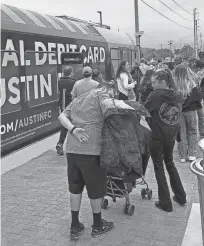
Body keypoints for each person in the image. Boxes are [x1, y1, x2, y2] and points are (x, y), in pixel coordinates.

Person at [58, 82, 115, 240]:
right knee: (95, 190)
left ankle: (75, 225)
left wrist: (73, 129)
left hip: (72, 150)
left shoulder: (78, 99)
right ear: (105, 89)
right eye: (112, 93)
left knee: (75, 188)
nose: (112, 96)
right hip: (91, 150)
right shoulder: (102, 94)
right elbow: (110, 108)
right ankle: (97, 226)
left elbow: (61, 116)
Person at [144, 68, 186, 212]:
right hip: (171, 134)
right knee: (169, 162)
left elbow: (144, 111)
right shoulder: (178, 95)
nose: (152, 84)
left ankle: (165, 202)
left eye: (154, 82)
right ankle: (181, 196)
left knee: (158, 166)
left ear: (163, 82)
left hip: (156, 135)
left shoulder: (155, 95)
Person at [174, 64, 203, 162]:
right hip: (191, 111)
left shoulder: (173, 85)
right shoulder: (191, 83)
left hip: (178, 111)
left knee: (181, 133)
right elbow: (199, 97)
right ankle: (191, 154)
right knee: (192, 131)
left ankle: (182, 156)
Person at [56, 66, 76, 155]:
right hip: (71, 106)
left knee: (64, 125)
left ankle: (60, 143)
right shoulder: (73, 82)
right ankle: (74, 146)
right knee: (73, 125)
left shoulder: (59, 82)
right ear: (71, 73)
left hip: (62, 106)